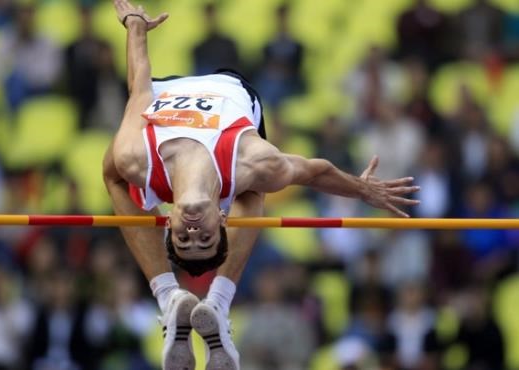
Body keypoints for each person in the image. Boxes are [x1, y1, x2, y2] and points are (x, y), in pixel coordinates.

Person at [103, 1, 420, 369]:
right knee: (255, 187)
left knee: (112, 171)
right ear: (221, 221)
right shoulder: (252, 160)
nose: (192, 231)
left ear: (168, 223)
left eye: (183, 239)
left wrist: (135, 27)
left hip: (164, 92)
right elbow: (313, 170)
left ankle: (170, 296)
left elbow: (139, 84)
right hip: (228, 88)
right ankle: (216, 304)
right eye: (202, 238)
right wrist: (362, 189)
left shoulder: (137, 159)